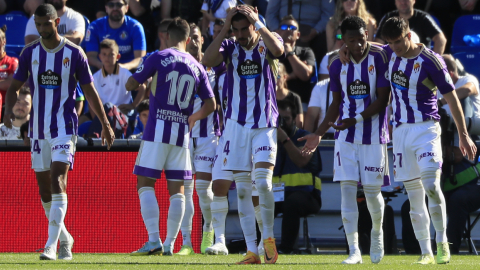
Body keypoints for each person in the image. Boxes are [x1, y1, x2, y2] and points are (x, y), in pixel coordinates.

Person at [3, 3, 114, 261]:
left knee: (58, 180)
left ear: (56, 22)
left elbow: (90, 91)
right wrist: (8, 111)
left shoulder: (74, 53)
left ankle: (51, 246)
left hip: (64, 127)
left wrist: (106, 124)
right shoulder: (30, 53)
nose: (42, 29)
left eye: (46, 24)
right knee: (44, 191)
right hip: (38, 129)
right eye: (38, 24)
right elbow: (13, 88)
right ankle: (65, 238)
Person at [376, 17, 476, 264]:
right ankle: (426, 252)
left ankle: (442, 242)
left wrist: (463, 135)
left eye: (398, 41)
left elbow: (452, 99)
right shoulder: (390, 52)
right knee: (414, 196)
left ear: (408, 35)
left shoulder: (431, 60)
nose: (395, 47)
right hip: (400, 133)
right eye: (391, 42)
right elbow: (368, 46)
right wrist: (344, 48)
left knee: (431, 185)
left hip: (426, 129)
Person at [300, 16, 391, 264]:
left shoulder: (379, 57)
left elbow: (383, 100)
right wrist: (319, 134)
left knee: (372, 194)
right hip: (345, 137)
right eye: (352, 40)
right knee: (347, 191)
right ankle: (353, 250)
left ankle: (376, 234)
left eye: (362, 38)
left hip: (373, 135)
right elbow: (336, 104)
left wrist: (356, 119)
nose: (360, 44)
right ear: (344, 40)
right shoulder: (336, 65)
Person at [125, 17, 216, 256]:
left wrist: (139, 79)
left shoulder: (158, 57)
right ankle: (170, 244)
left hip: (156, 132)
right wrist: (194, 117)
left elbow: (130, 84)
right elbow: (211, 104)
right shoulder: (197, 66)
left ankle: (153, 240)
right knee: (178, 191)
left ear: (167, 36)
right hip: (182, 136)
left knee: (145, 184)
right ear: (188, 39)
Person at [203, 4, 284, 264]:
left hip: (264, 124)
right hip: (236, 127)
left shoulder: (267, 39)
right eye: (235, 29)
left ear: (254, 23)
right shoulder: (230, 46)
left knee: (262, 183)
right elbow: (207, 60)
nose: (240, 34)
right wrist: (226, 26)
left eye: (243, 28)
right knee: (241, 192)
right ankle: (252, 251)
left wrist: (259, 22)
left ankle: (268, 237)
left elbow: (279, 50)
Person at [174, 23, 220, 256]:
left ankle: (208, 229)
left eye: (196, 37)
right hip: (182, 136)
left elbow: (219, 104)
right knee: (185, 190)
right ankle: (186, 242)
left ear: (203, 40)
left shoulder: (214, 70)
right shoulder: (177, 69)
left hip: (207, 136)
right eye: (189, 38)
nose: (192, 42)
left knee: (203, 189)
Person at [271, 100, 322, 254]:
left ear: (294, 119)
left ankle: (286, 250)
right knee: (260, 203)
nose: (281, 122)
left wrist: (285, 139)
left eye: (285, 119)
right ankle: (256, 247)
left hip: (308, 196)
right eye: (277, 119)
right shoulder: (269, 139)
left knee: (291, 203)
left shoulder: (306, 137)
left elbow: (301, 160)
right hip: (277, 195)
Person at [85, 0, 146, 71]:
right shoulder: (94, 26)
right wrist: (104, 67)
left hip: (129, 69)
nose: (115, 8)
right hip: (101, 68)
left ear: (126, 8)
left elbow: (140, 58)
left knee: (144, 69)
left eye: (119, 5)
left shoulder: (135, 27)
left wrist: (124, 67)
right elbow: (91, 57)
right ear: (106, 8)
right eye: (111, 5)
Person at [266, 0, 335, 61]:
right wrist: (278, 31)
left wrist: (316, 30)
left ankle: (318, 70)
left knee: (323, 40)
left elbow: (329, 14)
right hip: (284, 27)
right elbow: (270, 14)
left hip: (313, 30)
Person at [92, 38, 145, 115]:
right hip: (104, 114)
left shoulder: (124, 73)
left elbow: (142, 87)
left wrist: (133, 105)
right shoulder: (95, 78)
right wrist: (97, 120)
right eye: (104, 54)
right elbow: (92, 100)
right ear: (100, 57)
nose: (107, 58)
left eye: (111, 54)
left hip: (123, 113)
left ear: (118, 56)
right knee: (83, 122)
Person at [375, 0, 447, 55]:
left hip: (419, 62)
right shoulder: (388, 18)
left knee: (448, 59)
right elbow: (379, 43)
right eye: (400, 0)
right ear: (395, 2)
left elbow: (441, 40)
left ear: (413, 0)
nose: (403, 2)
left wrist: (433, 61)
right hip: (395, 61)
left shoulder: (423, 18)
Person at [276, 15, 315, 113]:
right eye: (284, 27)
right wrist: (292, 75)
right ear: (278, 32)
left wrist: (290, 53)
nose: (288, 30)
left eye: (292, 28)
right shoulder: (272, 53)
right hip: (274, 101)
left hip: (301, 103)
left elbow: (305, 75)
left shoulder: (306, 52)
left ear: (298, 35)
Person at [304, 52, 338, 136]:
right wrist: (306, 139)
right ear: (328, 68)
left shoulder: (356, 86)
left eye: (342, 64)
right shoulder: (320, 87)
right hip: (326, 136)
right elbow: (311, 116)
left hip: (351, 136)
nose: (339, 68)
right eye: (335, 65)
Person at [276, 63, 303, 128]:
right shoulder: (266, 97)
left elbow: (299, 125)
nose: (274, 79)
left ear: (284, 77)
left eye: (278, 76)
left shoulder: (294, 98)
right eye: (271, 75)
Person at [0, 25, 18, 121]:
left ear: (4, 41)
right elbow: (6, 82)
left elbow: (12, 83)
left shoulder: (12, 61)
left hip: (6, 106)